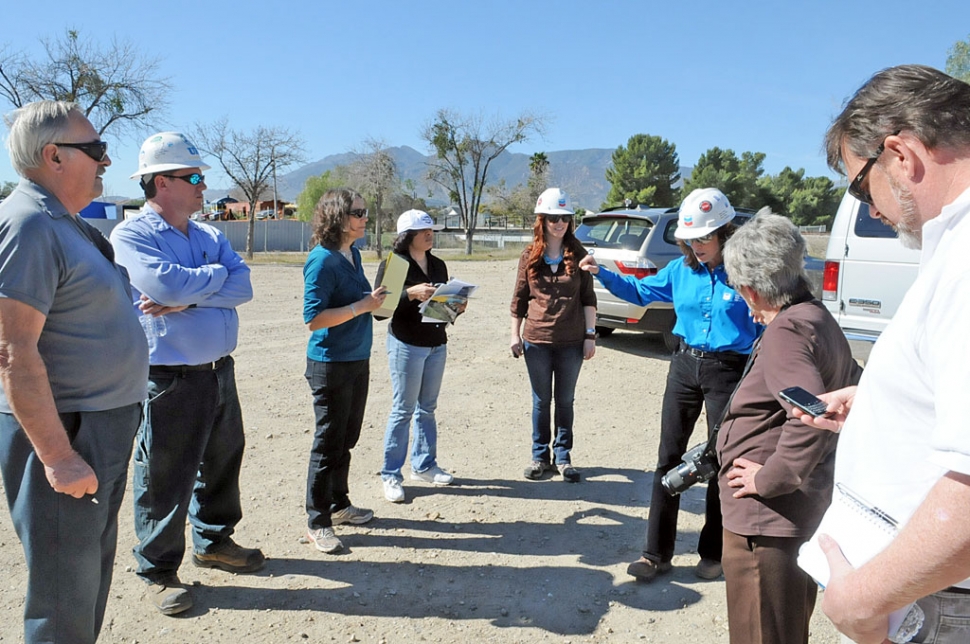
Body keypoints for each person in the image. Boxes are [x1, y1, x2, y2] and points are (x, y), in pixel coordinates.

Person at [793, 65, 970, 644]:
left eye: (857, 184)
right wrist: (876, 404)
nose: (867, 209)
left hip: (929, 605)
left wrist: (858, 599)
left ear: (900, 154)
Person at [0, 101, 148, 643]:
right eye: (95, 150)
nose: (106, 160)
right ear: (52, 156)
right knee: (64, 594)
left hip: (96, 426)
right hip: (69, 431)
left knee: (85, 582)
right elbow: (13, 349)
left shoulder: (66, 223)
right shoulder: (29, 223)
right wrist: (59, 456)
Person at [109, 131, 264, 616]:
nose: (203, 186)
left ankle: (214, 541)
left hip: (219, 368)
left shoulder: (211, 235)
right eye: (193, 177)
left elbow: (244, 287)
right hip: (170, 376)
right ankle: (157, 569)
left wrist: (188, 296)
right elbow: (160, 283)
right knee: (164, 474)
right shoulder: (131, 235)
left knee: (222, 461)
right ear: (160, 183)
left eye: (201, 176)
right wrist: (205, 283)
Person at [579, 187, 760, 582]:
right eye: (690, 239)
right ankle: (655, 554)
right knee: (669, 458)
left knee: (720, 461)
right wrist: (601, 273)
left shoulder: (746, 273)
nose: (697, 247)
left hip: (729, 372)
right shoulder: (680, 271)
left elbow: (767, 319)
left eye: (705, 238)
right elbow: (641, 292)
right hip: (684, 366)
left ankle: (713, 553)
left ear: (726, 232)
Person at [715, 211, 862, 644]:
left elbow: (811, 414)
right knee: (784, 629)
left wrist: (772, 476)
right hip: (793, 514)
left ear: (752, 289)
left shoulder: (787, 331)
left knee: (763, 634)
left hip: (768, 522)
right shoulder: (816, 316)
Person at [303, 188, 387, 553]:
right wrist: (361, 306)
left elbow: (364, 304)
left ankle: (339, 505)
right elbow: (313, 318)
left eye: (364, 211)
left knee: (346, 438)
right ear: (337, 217)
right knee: (328, 442)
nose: (364, 217)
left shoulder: (352, 254)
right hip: (330, 363)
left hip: (357, 358)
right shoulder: (322, 261)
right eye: (357, 212)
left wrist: (384, 301)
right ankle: (317, 520)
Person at [510, 187, 596, 483]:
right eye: (553, 217)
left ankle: (563, 457)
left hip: (572, 342)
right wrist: (514, 335)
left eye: (564, 217)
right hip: (536, 340)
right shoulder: (529, 255)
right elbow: (519, 299)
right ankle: (539, 457)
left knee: (565, 401)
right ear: (542, 220)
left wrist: (590, 335)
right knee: (540, 401)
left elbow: (588, 298)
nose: (559, 223)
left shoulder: (579, 254)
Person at [375, 209, 455, 504]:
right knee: (403, 409)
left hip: (436, 343)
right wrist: (410, 293)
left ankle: (424, 465)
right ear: (407, 235)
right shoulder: (395, 265)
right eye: (424, 231)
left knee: (428, 408)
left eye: (431, 230)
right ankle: (391, 475)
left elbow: (440, 311)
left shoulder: (438, 264)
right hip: (406, 345)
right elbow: (380, 312)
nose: (429, 234)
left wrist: (455, 306)